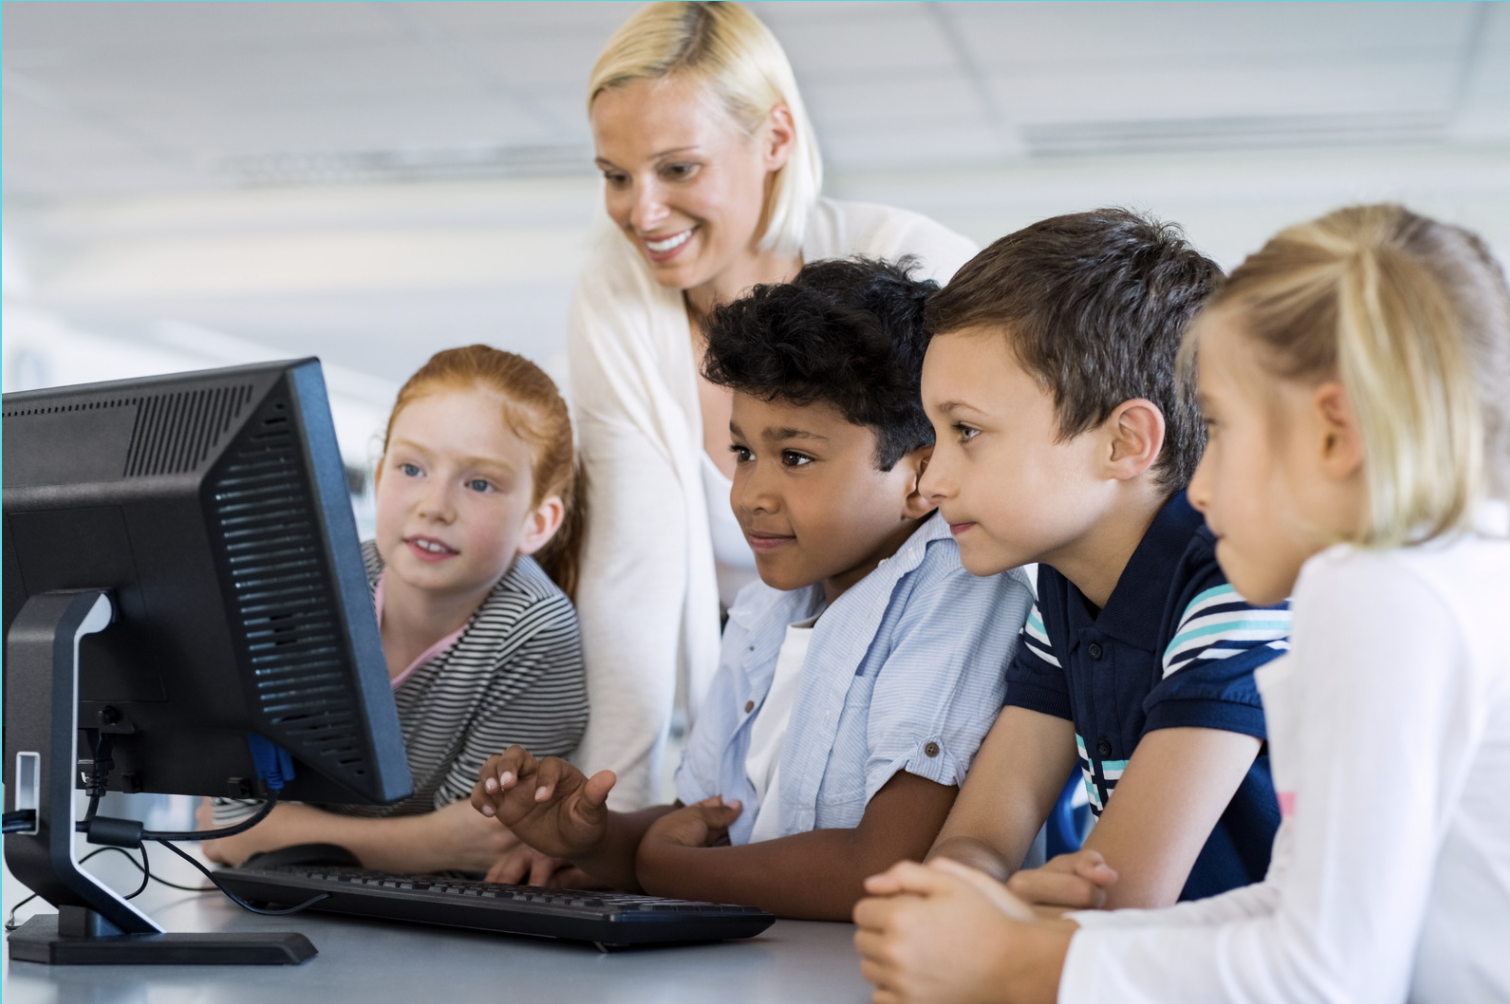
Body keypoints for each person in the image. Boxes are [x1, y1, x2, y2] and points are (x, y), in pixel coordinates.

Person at [854, 204, 1510, 1004]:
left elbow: (1330, 978)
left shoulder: (1378, 588)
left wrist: (1019, 961)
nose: (1198, 484)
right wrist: (1023, 934)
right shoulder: (1428, 578)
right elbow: (1285, 914)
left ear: (1334, 434)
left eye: (1225, 429)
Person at [472, 258, 1033, 919]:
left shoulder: (959, 597)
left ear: (919, 477)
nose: (749, 496)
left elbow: (882, 869)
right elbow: (708, 829)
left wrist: (662, 868)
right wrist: (596, 838)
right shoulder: (769, 604)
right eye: (742, 453)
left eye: (795, 458)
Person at [568, 0, 978, 808]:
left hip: (920, 667)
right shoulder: (614, 298)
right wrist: (604, 811)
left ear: (776, 141)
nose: (640, 212)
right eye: (616, 176)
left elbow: (991, 498)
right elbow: (631, 569)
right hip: (757, 662)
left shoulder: (914, 267)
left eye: (677, 169)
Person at [909, 209, 1289, 914]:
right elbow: (979, 838)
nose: (930, 481)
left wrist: (997, 899)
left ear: (1123, 443)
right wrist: (969, 881)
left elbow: (1122, 896)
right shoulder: (1068, 583)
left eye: (967, 432)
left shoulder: (1237, 585)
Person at [202, 346, 589, 878]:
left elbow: (480, 844)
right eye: (411, 468)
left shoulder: (534, 633)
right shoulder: (297, 590)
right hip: (275, 907)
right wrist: (431, 841)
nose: (434, 505)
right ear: (380, 476)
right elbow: (229, 826)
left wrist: (274, 832)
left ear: (537, 522)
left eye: (479, 483)